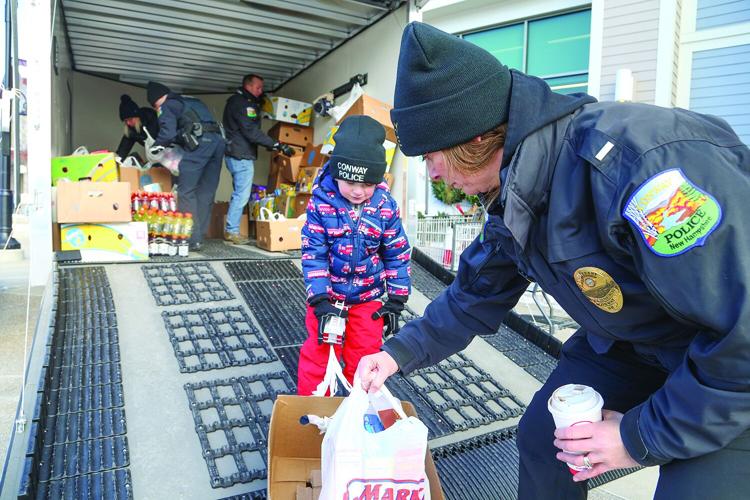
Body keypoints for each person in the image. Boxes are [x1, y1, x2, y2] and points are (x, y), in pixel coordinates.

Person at [357, 22, 750, 499]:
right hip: (630, 342)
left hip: (725, 363)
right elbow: (474, 296)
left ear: (475, 138)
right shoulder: (517, 191)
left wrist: (635, 437)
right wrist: (396, 354)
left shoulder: (643, 173)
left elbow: (742, 334)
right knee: (546, 441)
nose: (432, 173)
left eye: (432, 156)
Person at [297, 115, 411, 396]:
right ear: (337, 172)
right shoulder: (321, 203)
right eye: (350, 181)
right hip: (328, 298)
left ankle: (358, 409)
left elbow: (396, 252)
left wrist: (396, 299)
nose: (359, 191)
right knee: (319, 354)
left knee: (365, 356)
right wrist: (320, 299)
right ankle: (313, 410)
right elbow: (314, 252)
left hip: (367, 299)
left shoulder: (385, 206)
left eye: (368, 183)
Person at [147, 81, 225, 251]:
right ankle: (200, 236)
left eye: (154, 106)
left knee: (185, 191)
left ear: (156, 101)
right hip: (218, 143)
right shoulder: (191, 101)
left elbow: (167, 133)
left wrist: (156, 146)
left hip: (200, 144)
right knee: (206, 191)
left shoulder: (166, 106)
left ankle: (191, 238)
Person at [222, 74, 295, 244]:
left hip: (235, 153)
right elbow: (250, 132)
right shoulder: (241, 104)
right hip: (240, 156)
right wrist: (277, 144)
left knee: (239, 194)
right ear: (248, 86)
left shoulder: (240, 102)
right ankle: (232, 231)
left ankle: (232, 229)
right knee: (241, 195)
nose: (261, 91)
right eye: (258, 88)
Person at [115, 94, 159, 162]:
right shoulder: (131, 130)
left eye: (130, 119)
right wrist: (117, 161)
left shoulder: (151, 118)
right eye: (125, 121)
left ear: (137, 116)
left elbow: (164, 136)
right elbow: (123, 149)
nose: (128, 123)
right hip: (158, 157)